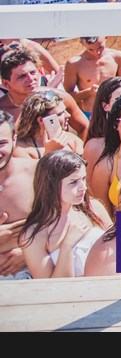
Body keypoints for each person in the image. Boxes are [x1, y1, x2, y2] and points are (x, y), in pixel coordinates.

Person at [19, 150, 110, 278]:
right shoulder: (33, 234)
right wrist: (67, 246)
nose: (83, 187)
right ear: (51, 185)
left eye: (83, 179)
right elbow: (51, 287)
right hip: (75, 290)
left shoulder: (94, 208)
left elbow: (119, 250)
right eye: (73, 182)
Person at [0, 49, 88, 138]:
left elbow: (84, 127)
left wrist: (79, 146)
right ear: (6, 84)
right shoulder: (3, 110)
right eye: (22, 76)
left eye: (33, 72)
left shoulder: (58, 98)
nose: (31, 78)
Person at [0, 111, 37, 278]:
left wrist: (28, 253)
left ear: (14, 139)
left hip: (35, 271)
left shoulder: (38, 173)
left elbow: (71, 223)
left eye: (1, 143)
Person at [63, 36, 121, 115]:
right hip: (91, 114)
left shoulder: (118, 57)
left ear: (106, 37)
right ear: (82, 43)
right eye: (90, 49)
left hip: (115, 111)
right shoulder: (74, 64)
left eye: (100, 47)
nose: (97, 52)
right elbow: (68, 97)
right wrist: (89, 92)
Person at [13, 90, 84, 160]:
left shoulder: (72, 140)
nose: (68, 115)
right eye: (60, 114)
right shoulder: (21, 148)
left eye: (65, 111)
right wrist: (49, 152)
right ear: (41, 120)